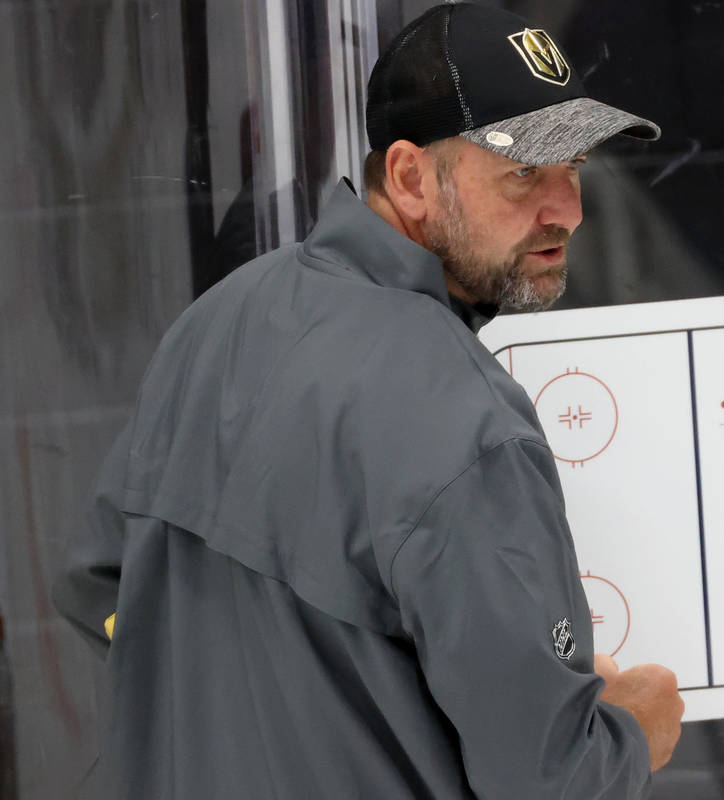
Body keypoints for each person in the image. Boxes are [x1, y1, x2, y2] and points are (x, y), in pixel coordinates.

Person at [52, 3, 684, 798]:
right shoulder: (472, 428)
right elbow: (546, 781)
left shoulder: (218, 321)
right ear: (412, 178)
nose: (568, 208)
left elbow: (102, 588)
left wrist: (285, 696)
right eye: (526, 169)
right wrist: (632, 730)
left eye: (576, 166)